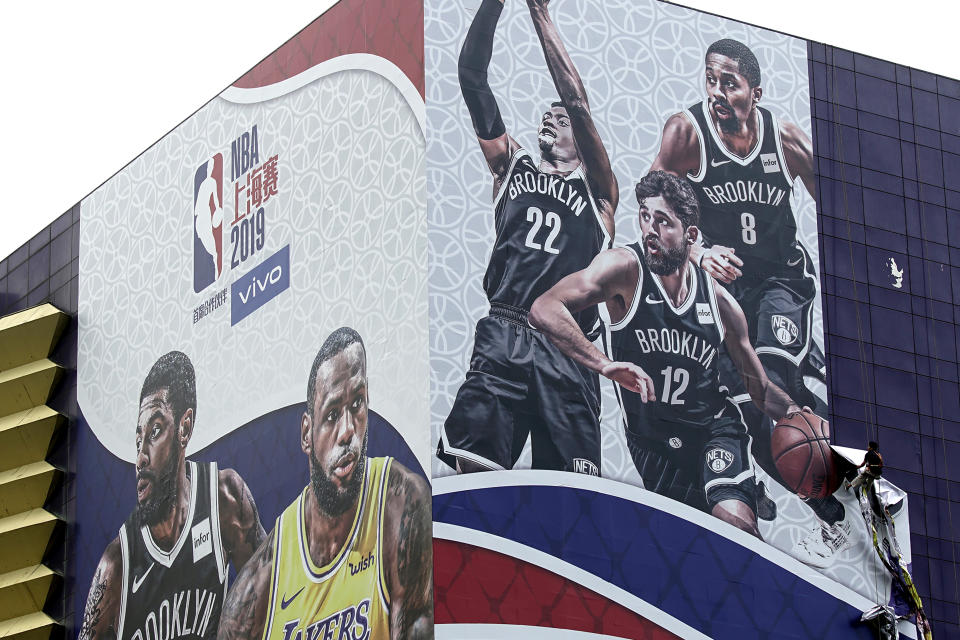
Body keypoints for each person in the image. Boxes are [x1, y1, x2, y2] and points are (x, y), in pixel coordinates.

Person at [650, 38, 849, 564]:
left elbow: (843, 211)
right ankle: (835, 515)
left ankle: (854, 459)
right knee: (753, 410)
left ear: (755, 93)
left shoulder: (783, 140)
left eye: (729, 83)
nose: (716, 92)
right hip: (727, 298)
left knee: (773, 383)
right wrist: (698, 251)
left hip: (783, 283)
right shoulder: (686, 132)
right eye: (710, 80)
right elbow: (653, 208)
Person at [531, 170, 816, 537]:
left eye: (663, 221)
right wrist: (604, 364)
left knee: (736, 531)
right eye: (645, 216)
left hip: (713, 430)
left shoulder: (720, 304)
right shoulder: (623, 268)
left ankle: (741, 492)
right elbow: (544, 307)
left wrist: (794, 412)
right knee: (693, 550)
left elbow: (758, 389)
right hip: (652, 442)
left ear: (691, 235)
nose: (650, 229)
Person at [438, 0, 618, 475]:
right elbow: (471, 76)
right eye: (546, 115)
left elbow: (576, 102)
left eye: (559, 120)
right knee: (475, 481)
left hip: (569, 347)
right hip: (507, 330)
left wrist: (539, 12)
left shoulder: (599, 192)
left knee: (569, 507)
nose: (549, 118)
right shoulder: (510, 166)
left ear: (580, 139)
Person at [217, 328, 433, 640]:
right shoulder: (262, 580)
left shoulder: (401, 505)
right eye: (332, 415)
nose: (348, 431)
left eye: (357, 404)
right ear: (307, 433)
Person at [79, 352, 265, 640]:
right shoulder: (117, 564)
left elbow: (273, 598)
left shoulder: (224, 500)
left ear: (184, 427)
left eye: (154, 432)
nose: (140, 457)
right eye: (138, 439)